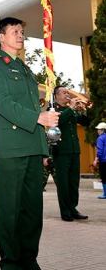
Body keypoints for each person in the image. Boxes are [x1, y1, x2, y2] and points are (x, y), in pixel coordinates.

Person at [0, 17, 59, 270]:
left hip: (32, 146)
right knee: (11, 210)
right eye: (14, 31)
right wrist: (38, 117)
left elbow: (31, 105)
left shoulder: (25, 69)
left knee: (32, 210)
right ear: (1, 37)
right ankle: (11, 263)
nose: (20, 35)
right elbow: (2, 103)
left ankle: (29, 259)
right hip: (12, 147)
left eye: (22, 31)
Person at [51, 86, 89, 221]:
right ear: (56, 96)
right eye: (64, 92)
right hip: (61, 152)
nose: (67, 94)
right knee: (63, 183)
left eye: (68, 92)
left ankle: (73, 208)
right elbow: (58, 121)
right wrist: (71, 108)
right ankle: (65, 211)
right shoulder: (54, 110)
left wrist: (83, 111)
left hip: (74, 150)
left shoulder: (70, 110)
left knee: (74, 182)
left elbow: (86, 122)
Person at [93, 122, 106, 199]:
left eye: (99, 129)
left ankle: (105, 194)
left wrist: (96, 159)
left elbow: (100, 150)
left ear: (103, 130)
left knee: (104, 177)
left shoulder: (100, 138)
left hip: (104, 161)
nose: (97, 131)